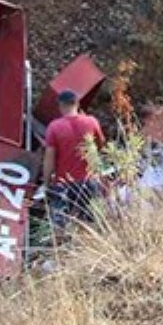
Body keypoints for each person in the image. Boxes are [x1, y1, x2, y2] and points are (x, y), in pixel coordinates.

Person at [42, 90, 106, 225]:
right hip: (89, 182)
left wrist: (47, 184)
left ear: (60, 106)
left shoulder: (54, 127)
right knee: (91, 225)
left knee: (60, 225)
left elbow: (49, 159)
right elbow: (101, 146)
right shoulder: (92, 122)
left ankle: (62, 245)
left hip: (63, 184)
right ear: (77, 104)